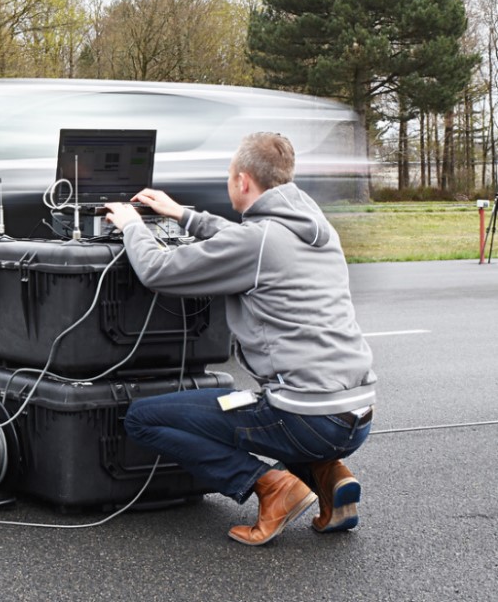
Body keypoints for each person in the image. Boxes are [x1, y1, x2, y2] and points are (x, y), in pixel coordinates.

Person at [104, 131, 376, 546]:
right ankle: (330, 478)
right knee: (270, 404)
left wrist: (132, 226)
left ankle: (271, 487)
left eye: (229, 175)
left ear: (243, 181)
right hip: (355, 416)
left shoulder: (257, 241)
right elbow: (244, 239)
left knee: (143, 418)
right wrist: (182, 215)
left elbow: (158, 271)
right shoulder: (316, 227)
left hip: (305, 419)